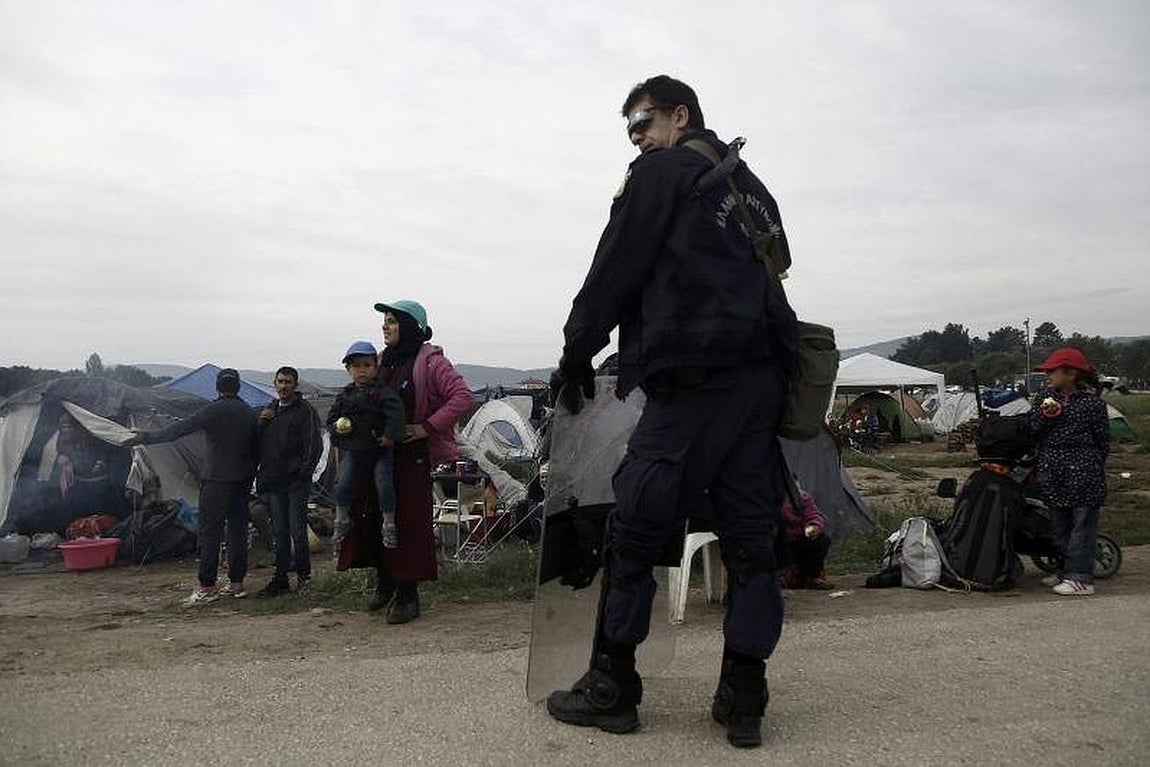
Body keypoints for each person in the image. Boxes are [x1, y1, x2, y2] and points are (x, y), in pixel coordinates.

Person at [546, 75, 799, 748]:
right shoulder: (750, 187)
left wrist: (576, 352)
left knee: (635, 528)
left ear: (680, 114)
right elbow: (775, 276)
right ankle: (744, 695)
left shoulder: (659, 172)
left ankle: (612, 686)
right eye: (627, 124)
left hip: (690, 381)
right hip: (758, 384)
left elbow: (616, 266)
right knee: (750, 534)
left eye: (642, 117)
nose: (634, 133)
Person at [373, 299, 473, 623]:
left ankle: (407, 594)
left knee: (409, 523)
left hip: (412, 456)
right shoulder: (380, 360)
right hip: (380, 453)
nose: (384, 326)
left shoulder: (430, 362)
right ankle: (386, 581)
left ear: (410, 325)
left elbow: (462, 397)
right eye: (384, 321)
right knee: (378, 518)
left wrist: (427, 427)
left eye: (391, 321)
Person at [125, 368, 259, 605]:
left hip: (216, 480)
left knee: (210, 532)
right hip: (243, 480)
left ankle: (207, 586)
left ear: (217, 388)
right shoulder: (249, 413)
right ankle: (237, 584)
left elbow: (179, 429)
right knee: (238, 530)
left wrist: (146, 437)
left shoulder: (212, 410)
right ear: (238, 387)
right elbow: (258, 448)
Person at [1028, 347, 1109, 596]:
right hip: (1053, 470)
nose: (1048, 375)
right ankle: (1064, 570)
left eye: (1052, 371)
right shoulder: (1044, 398)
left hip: (1083, 471)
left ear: (1070, 373)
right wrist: (1046, 416)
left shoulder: (1092, 404)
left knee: (1081, 526)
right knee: (1058, 525)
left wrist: (1090, 462)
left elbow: (1102, 441)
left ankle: (1081, 577)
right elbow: (1032, 429)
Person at [327, 342, 405, 557]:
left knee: (384, 484)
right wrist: (337, 430)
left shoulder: (382, 393)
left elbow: (396, 414)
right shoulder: (345, 395)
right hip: (354, 449)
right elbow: (332, 420)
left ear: (375, 367)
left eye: (367, 365)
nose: (361, 370)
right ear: (349, 369)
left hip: (379, 449)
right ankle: (341, 520)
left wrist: (390, 436)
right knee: (343, 484)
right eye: (356, 366)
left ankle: (389, 524)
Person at [255, 366, 323, 597]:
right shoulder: (270, 411)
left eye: (288, 382)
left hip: (296, 483)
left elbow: (315, 447)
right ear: (275, 384)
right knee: (280, 532)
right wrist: (261, 424)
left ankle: (304, 578)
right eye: (280, 382)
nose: (283, 386)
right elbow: (259, 445)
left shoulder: (305, 411)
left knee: (297, 531)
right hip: (274, 483)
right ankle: (281, 579)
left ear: (295, 385)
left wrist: (303, 474)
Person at [776, 483, 834, 591]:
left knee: (821, 540)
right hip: (776, 541)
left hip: (798, 539)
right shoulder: (764, 498)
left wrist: (814, 526)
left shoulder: (801, 498)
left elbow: (813, 515)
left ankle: (812, 577)